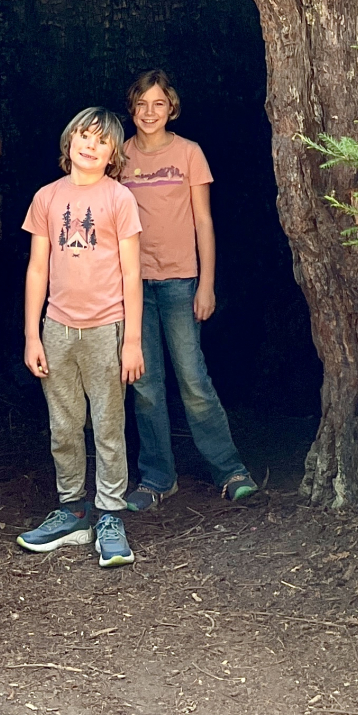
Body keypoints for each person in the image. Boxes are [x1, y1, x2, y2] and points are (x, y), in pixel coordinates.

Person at [119, 69, 257, 511]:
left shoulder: (189, 153)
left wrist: (207, 284)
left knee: (193, 378)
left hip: (181, 280)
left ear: (171, 107)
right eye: (141, 104)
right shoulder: (118, 156)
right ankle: (158, 478)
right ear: (132, 108)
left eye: (158, 104)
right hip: (133, 284)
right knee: (144, 384)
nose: (149, 113)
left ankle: (230, 469)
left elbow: (203, 221)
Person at [16, 106, 145, 568]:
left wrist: (132, 340)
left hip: (105, 327)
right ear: (69, 141)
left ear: (112, 154)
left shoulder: (118, 199)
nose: (90, 146)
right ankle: (73, 510)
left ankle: (111, 514)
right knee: (64, 425)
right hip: (57, 328)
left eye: (101, 141)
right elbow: (37, 268)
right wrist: (33, 335)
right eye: (83, 137)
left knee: (108, 424)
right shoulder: (47, 198)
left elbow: (133, 274)